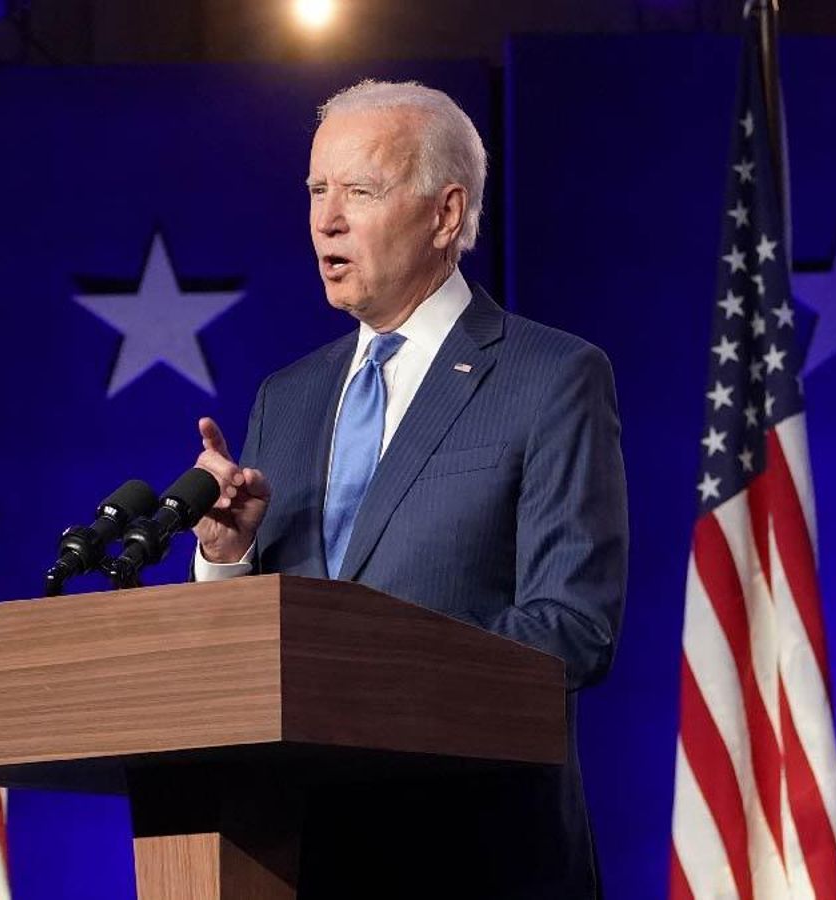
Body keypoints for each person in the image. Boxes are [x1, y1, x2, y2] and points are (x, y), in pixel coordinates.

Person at [192, 80, 629, 897]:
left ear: (445, 214)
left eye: (360, 191)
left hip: (475, 856)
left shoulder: (550, 377)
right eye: (317, 189)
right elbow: (256, 660)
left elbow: (572, 629)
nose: (327, 219)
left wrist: (373, 684)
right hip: (296, 857)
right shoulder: (286, 398)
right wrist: (228, 558)